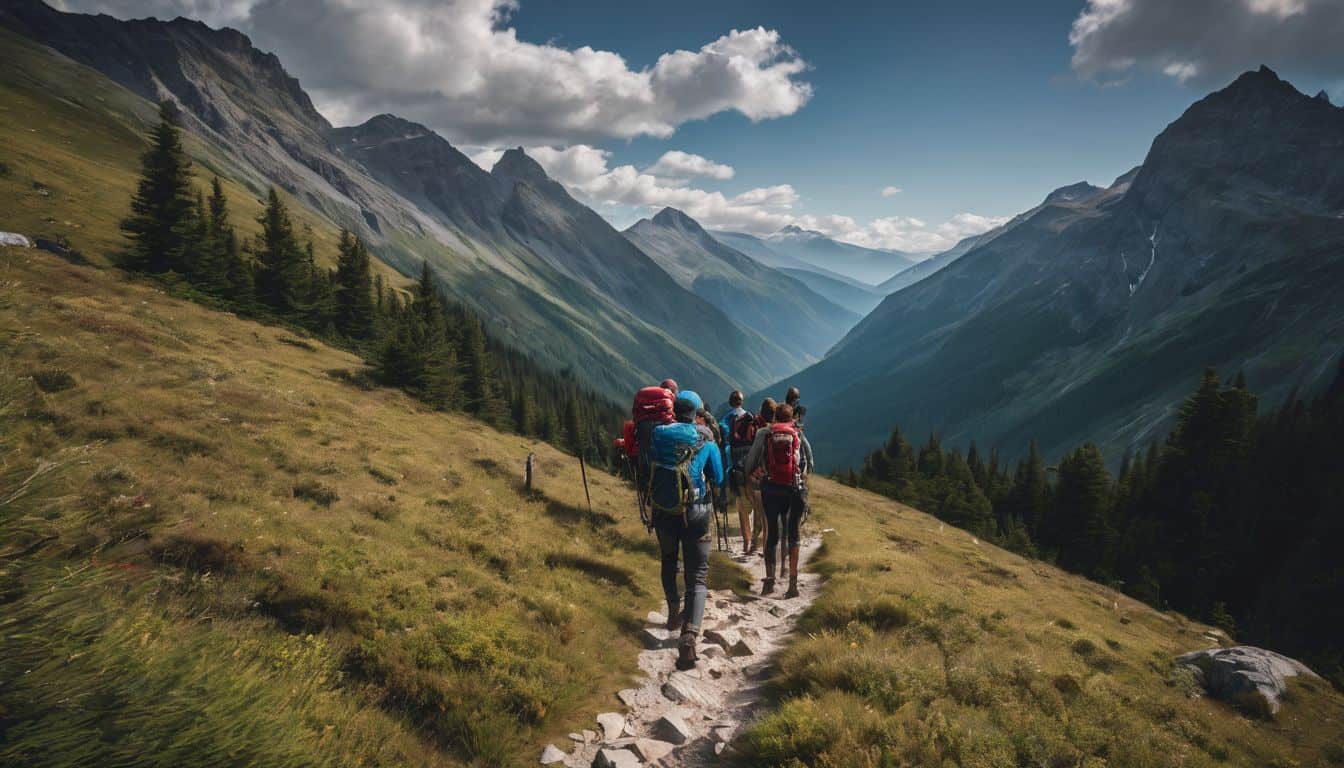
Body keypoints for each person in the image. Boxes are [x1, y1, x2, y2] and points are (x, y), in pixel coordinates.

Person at [648, 389, 723, 669]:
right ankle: (689, 636)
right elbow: (718, 475)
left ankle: (672, 611)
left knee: (669, 559)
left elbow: (649, 464)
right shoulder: (706, 439)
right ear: (697, 413)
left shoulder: (659, 434)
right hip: (697, 513)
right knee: (698, 576)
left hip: (664, 510)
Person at [744, 402, 809, 598]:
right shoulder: (797, 432)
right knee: (794, 533)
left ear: (774, 417)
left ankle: (770, 582)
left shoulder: (765, 433)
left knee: (772, 533)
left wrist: (751, 476)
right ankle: (792, 584)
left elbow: (752, 460)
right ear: (792, 418)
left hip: (771, 489)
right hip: (794, 489)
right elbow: (804, 461)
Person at [719, 390, 757, 553]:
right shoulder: (750, 417)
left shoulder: (726, 420)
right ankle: (756, 539)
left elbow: (724, 443)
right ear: (742, 401)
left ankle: (746, 542)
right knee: (756, 504)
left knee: (742, 506)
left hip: (736, 466)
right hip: (753, 464)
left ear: (730, 402)